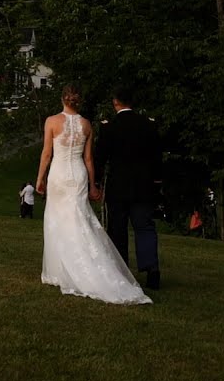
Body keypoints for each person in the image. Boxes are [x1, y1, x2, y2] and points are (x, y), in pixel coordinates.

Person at [36, 84, 151, 305]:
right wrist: (92, 185)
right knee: (80, 219)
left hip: (59, 175)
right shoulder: (86, 124)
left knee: (58, 220)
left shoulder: (52, 121)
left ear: (63, 99)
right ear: (77, 101)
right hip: (78, 174)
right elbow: (89, 160)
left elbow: (47, 153)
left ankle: (61, 270)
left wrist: (40, 178)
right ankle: (78, 266)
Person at [93, 87, 164, 290]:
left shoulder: (109, 127)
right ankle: (152, 270)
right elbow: (157, 157)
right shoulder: (148, 125)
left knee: (118, 229)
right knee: (145, 227)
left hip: (118, 186)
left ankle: (121, 271)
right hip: (144, 185)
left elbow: (100, 158)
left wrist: (96, 182)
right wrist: (157, 181)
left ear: (115, 102)